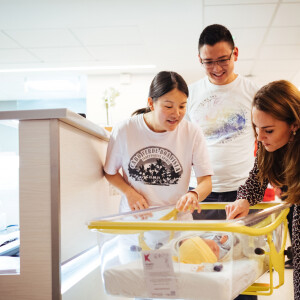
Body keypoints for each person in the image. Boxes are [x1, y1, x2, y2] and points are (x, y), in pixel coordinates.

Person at [225, 80, 300, 300]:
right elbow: (256, 179)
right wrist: (244, 200)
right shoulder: (267, 147)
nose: (259, 137)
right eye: (256, 128)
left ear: (294, 124)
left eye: (267, 130)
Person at [104, 71, 213, 216]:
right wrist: (129, 193)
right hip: (135, 219)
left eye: (182, 106)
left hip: (176, 219)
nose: (176, 114)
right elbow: (110, 172)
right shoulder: (125, 129)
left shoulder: (192, 132)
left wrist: (194, 194)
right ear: (151, 103)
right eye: (168, 106)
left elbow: (206, 182)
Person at [186, 24, 259, 220]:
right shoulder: (189, 95)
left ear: (235, 53)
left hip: (243, 191)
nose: (216, 69)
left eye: (222, 60)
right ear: (199, 59)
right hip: (199, 191)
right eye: (208, 62)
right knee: (200, 249)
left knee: (242, 249)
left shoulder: (254, 93)